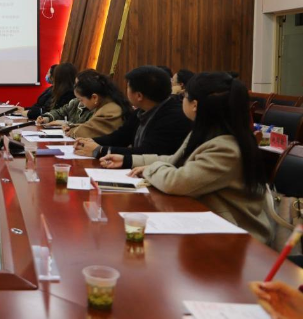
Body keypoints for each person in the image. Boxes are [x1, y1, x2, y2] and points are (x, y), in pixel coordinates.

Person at [103, 72, 271, 242]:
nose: (180, 100)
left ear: (195, 105)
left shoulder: (226, 149)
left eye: (184, 96)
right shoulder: (203, 133)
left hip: (238, 238)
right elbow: (173, 160)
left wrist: (150, 169)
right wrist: (128, 160)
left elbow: (177, 182)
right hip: (210, 225)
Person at [73, 66, 191, 163]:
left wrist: (100, 150)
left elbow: (146, 152)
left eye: (128, 87)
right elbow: (121, 136)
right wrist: (90, 142)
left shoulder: (173, 117)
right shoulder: (141, 110)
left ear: (139, 96)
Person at [63, 71, 131, 139]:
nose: (81, 103)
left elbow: (88, 131)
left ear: (94, 97)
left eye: (81, 100)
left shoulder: (109, 112)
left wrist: (71, 131)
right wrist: (72, 127)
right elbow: (91, 126)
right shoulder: (107, 105)